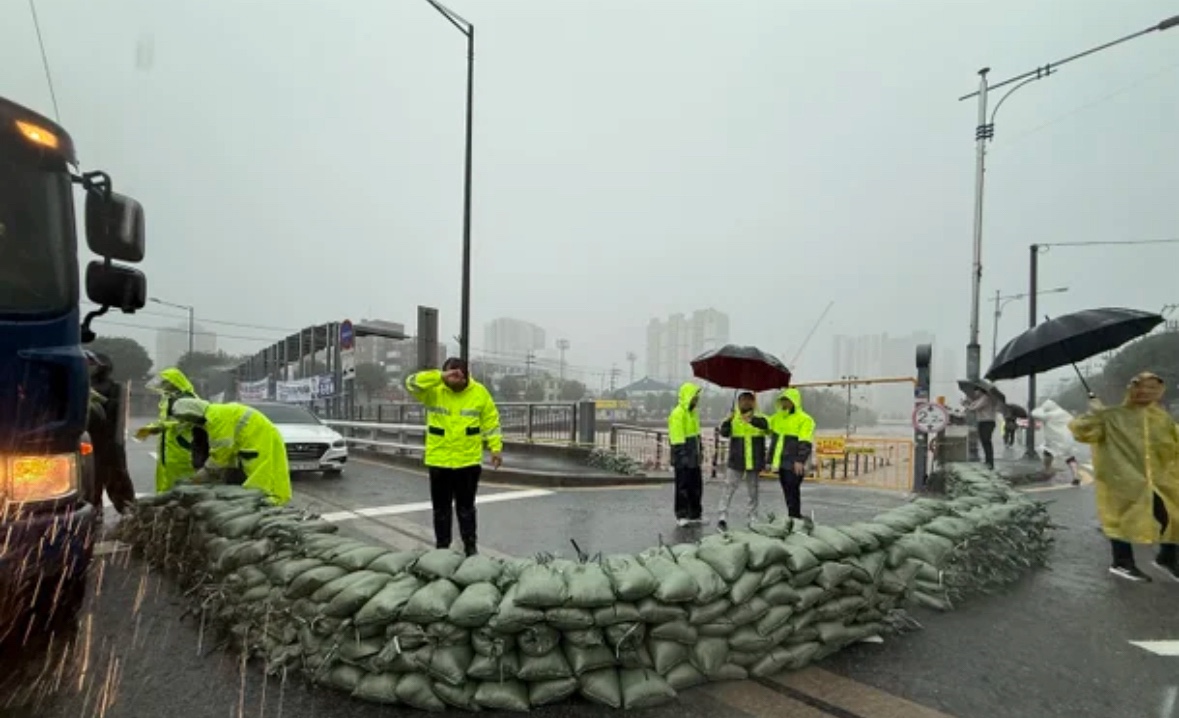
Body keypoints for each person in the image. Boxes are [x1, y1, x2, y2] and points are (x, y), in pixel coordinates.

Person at [1069, 372, 1179, 583]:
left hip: (1158, 481)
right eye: (1141, 387)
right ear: (1132, 389)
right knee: (1120, 520)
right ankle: (1122, 562)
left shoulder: (1162, 418)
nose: (1146, 392)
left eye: (1152, 388)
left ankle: (1168, 558)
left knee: (1173, 516)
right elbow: (1082, 432)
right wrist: (1094, 414)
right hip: (1121, 479)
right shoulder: (1112, 416)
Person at [405, 358, 502, 556]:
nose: (454, 380)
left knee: (466, 508)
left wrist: (495, 448)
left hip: (468, 462)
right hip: (439, 460)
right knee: (441, 509)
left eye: (458, 375)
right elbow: (411, 383)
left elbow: (491, 421)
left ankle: (470, 545)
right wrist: (440, 376)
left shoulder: (479, 392)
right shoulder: (434, 391)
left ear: (466, 375)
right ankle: (442, 546)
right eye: (450, 375)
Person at [168, 398, 292, 505]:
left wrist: (205, 471)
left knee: (262, 474)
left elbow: (221, 453)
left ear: (194, 413)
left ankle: (268, 501)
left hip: (259, 437)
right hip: (253, 436)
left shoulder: (216, 419)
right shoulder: (213, 414)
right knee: (258, 472)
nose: (190, 421)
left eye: (190, 418)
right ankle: (263, 500)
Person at [85, 351, 137, 517]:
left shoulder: (115, 388)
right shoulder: (83, 385)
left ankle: (127, 510)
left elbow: (115, 413)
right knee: (92, 482)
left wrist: (100, 401)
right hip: (91, 442)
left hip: (107, 442)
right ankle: (95, 513)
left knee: (115, 478)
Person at [134, 368, 200, 492]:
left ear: (174, 382)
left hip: (182, 448)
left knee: (182, 483)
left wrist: (162, 427)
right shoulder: (169, 397)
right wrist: (152, 427)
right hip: (168, 447)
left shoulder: (188, 399)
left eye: (166, 382)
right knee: (165, 479)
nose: (163, 385)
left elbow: (189, 422)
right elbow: (166, 420)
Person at [716, 391, 770, 532]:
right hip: (737, 460)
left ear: (753, 402)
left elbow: (768, 428)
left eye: (748, 400)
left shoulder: (761, 417)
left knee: (753, 491)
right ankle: (722, 516)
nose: (745, 403)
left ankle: (753, 517)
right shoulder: (733, 417)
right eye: (742, 400)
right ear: (738, 403)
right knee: (729, 488)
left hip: (754, 460)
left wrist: (752, 420)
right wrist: (728, 420)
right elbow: (724, 433)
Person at [767, 388, 815, 519]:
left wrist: (800, 460)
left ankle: (795, 516)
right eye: (783, 400)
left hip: (794, 462)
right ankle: (793, 516)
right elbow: (765, 424)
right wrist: (751, 419)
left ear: (794, 401)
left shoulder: (804, 419)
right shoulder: (777, 418)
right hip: (781, 462)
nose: (784, 403)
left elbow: (805, 441)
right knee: (787, 491)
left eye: (787, 400)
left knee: (792, 490)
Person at [667, 382, 704, 527]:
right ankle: (681, 514)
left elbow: (697, 434)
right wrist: (682, 457)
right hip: (683, 454)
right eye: (695, 397)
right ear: (688, 397)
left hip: (694, 454)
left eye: (697, 397)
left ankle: (695, 513)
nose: (697, 399)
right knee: (682, 486)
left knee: (696, 485)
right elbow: (677, 438)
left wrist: (700, 451)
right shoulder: (678, 414)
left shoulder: (693, 413)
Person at [1031, 399, 1083, 486]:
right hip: (1067, 439)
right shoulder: (1065, 413)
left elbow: (1034, 413)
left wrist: (1041, 408)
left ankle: (1047, 470)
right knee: (1070, 457)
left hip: (1054, 440)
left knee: (1048, 454)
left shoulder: (1049, 415)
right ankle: (1076, 475)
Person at [965, 387, 999, 469]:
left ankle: (990, 462)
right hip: (982, 422)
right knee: (984, 442)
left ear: (980, 391)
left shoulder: (985, 398)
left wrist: (967, 405)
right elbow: (973, 405)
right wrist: (969, 403)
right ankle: (988, 461)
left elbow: (974, 408)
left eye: (976, 391)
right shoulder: (980, 399)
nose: (974, 393)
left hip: (987, 422)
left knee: (986, 441)